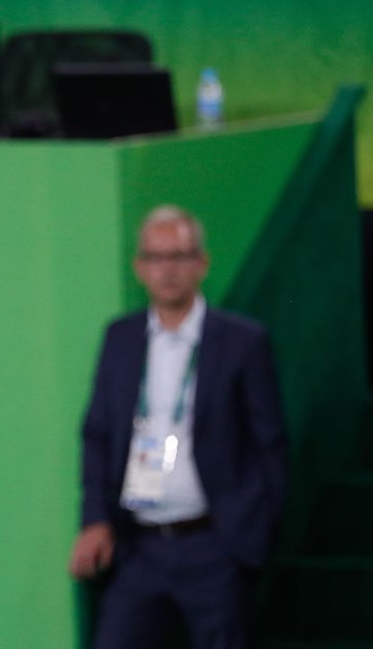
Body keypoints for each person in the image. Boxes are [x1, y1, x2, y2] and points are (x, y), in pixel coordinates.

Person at [69, 206, 288, 649]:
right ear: (139, 267)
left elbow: (271, 446)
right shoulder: (121, 337)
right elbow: (97, 434)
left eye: (179, 255)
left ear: (201, 263)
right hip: (139, 545)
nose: (167, 269)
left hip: (216, 546)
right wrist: (95, 519)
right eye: (155, 257)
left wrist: (253, 538)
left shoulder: (243, 341)